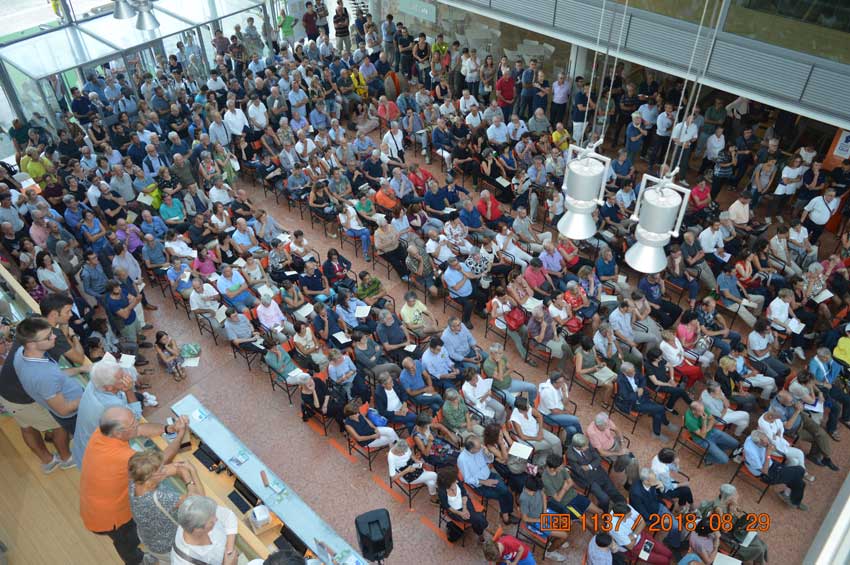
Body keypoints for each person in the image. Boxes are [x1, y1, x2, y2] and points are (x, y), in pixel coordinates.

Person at [80, 406, 188, 565]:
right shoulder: (123, 456)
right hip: (110, 518)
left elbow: (140, 429)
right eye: (133, 424)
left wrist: (169, 428)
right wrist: (179, 436)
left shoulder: (102, 432)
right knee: (127, 541)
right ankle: (137, 561)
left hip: (95, 503)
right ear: (119, 433)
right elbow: (161, 462)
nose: (137, 423)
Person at [13, 317, 88, 461]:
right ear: (31, 344)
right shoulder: (43, 375)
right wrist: (89, 395)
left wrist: (80, 369)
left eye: (51, 332)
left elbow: (56, 377)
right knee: (88, 438)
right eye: (48, 337)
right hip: (74, 414)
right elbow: (64, 410)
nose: (54, 337)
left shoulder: (21, 352)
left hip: (71, 402)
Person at [129, 451, 205, 564]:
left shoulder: (135, 481)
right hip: (166, 547)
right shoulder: (160, 498)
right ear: (151, 478)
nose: (164, 469)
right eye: (161, 469)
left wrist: (177, 470)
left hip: (149, 538)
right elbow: (200, 500)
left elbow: (174, 468)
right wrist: (192, 473)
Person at [457, 435, 518, 526]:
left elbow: (490, 460)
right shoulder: (462, 460)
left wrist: (488, 454)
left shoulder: (480, 449)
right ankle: (506, 516)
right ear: (472, 450)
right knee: (503, 493)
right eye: (478, 447)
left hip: (490, 475)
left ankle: (505, 515)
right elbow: (468, 479)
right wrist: (485, 482)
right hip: (480, 485)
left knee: (505, 491)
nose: (481, 447)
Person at [744, 429, 808, 511]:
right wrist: (768, 454)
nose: (767, 444)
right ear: (758, 443)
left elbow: (769, 443)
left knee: (801, 483)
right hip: (766, 474)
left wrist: (772, 445)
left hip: (772, 464)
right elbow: (764, 472)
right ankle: (792, 499)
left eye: (767, 440)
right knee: (800, 471)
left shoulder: (755, 436)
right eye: (765, 443)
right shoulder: (751, 452)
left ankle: (791, 498)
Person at [615, 362, 674, 442]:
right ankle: (665, 423)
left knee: (658, 411)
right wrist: (637, 394)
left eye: (634, 371)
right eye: (631, 373)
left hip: (643, 397)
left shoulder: (633, 370)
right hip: (633, 403)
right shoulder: (620, 380)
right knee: (661, 408)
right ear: (624, 373)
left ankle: (657, 432)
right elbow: (626, 397)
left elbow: (643, 379)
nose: (634, 373)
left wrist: (641, 388)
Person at [171, 495, 238, 565]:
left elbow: (228, 516)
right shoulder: (183, 562)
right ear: (199, 530)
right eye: (211, 522)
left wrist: (229, 551)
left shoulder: (198, 512)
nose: (216, 519)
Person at [518, 474, 570, 562]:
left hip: (544, 513)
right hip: (534, 522)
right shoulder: (524, 499)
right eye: (535, 491)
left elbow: (543, 495)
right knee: (564, 535)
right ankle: (549, 552)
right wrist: (540, 519)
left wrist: (545, 511)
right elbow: (525, 519)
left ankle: (555, 541)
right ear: (529, 489)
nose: (537, 492)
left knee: (568, 523)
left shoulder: (536, 485)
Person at [629, 468, 683, 550]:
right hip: (649, 517)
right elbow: (644, 514)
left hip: (658, 507)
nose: (656, 481)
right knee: (673, 525)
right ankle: (674, 545)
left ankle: (673, 542)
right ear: (646, 481)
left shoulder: (652, 482)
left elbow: (660, 496)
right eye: (654, 480)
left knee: (676, 526)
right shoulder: (636, 493)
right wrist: (660, 520)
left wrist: (662, 489)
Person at [608, 500, 673, 565]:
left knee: (668, 553)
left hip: (643, 536)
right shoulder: (613, 528)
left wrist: (633, 535)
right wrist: (637, 529)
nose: (631, 515)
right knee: (664, 561)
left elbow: (642, 522)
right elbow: (631, 546)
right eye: (628, 515)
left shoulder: (625, 507)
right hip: (637, 548)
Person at [436, 465, 488, 541]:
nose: (457, 481)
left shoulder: (456, 479)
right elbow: (447, 507)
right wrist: (460, 513)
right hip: (454, 511)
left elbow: (464, 493)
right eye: (454, 481)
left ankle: (480, 530)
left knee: (475, 518)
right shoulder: (442, 492)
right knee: (477, 518)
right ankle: (481, 531)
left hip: (465, 502)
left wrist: (465, 508)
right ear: (447, 483)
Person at [509, 396, 562, 465]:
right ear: (521, 409)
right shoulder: (515, 418)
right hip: (530, 439)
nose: (529, 407)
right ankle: (552, 463)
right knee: (550, 446)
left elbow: (539, 416)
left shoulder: (527, 407)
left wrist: (540, 431)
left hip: (537, 429)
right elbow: (522, 436)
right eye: (527, 406)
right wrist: (536, 438)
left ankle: (559, 461)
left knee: (557, 441)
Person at [684, 401, 739, 466]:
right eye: (701, 411)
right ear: (694, 412)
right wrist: (704, 421)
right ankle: (707, 458)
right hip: (701, 439)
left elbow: (712, 419)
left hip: (712, 431)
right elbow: (703, 436)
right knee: (725, 460)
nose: (703, 412)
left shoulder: (702, 408)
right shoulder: (690, 421)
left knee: (736, 444)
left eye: (703, 410)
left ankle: (717, 450)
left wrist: (707, 429)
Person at [387, 439, 439, 504]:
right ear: (397, 450)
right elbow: (393, 478)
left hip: (413, 467)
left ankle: (433, 498)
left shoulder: (403, 445)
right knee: (434, 475)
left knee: (431, 482)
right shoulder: (391, 457)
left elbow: (411, 456)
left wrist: (417, 461)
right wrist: (407, 470)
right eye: (402, 453)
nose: (404, 453)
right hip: (406, 476)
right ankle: (442, 489)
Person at [537, 372, 583, 445]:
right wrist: (566, 413)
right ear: (554, 383)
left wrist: (564, 392)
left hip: (560, 411)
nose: (562, 384)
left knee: (572, 430)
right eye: (560, 382)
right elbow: (554, 411)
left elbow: (566, 403)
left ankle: (567, 445)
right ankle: (582, 439)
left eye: (563, 381)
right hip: (548, 415)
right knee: (575, 419)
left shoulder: (562, 386)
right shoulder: (547, 392)